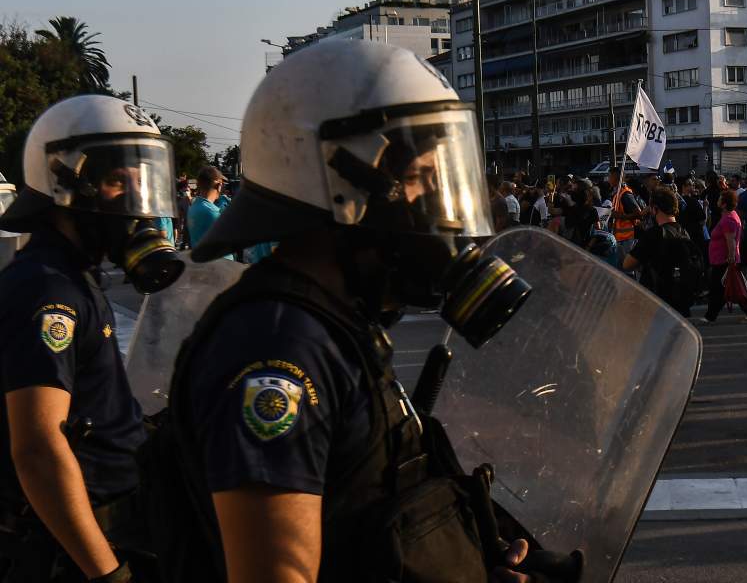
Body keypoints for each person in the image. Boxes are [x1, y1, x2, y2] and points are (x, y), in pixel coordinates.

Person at [163, 39, 569, 581]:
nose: (436, 207)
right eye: (420, 179)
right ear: (342, 187)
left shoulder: (333, 327)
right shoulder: (276, 348)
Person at [0, 95, 185, 581]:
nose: (135, 201)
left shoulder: (74, 276)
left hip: (120, 524)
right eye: (115, 182)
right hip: (79, 551)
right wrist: (107, 574)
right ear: (65, 183)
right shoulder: (47, 290)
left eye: (141, 181)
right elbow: (38, 449)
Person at [623, 188, 702, 316]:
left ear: (655, 209)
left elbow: (627, 264)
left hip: (656, 301)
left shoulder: (653, 234)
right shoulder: (684, 232)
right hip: (681, 301)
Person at [703, 189, 747, 323]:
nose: (718, 200)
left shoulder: (728, 219)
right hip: (722, 259)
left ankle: (710, 316)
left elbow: (730, 240)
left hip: (724, 260)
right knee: (724, 289)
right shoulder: (729, 216)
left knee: (722, 288)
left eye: (720, 199)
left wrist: (731, 257)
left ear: (724, 203)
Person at [187, 165, 232, 259]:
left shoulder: (193, 207)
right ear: (219, 185)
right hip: (221, 266)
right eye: (222, 184)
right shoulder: (212, 212)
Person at [608, 168, 642, 258]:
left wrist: (619, 216)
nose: (608, 179)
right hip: (619, 237)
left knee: (626, 268)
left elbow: (638, 214)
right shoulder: (617, 194)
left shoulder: (625, 194)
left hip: (626, 238)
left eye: (609, 176)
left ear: (616, 178)